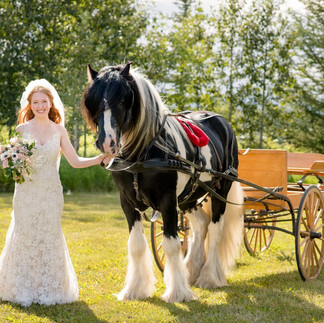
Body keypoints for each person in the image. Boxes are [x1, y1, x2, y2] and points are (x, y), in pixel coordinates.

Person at [0, 79, 111, 306]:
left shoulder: (59, 130)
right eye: (35, 102)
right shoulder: (22, 130)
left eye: (44, 101)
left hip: (51, 193)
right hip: (26, 193)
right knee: (25, 235)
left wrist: (98, 159)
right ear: (29, 105)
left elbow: (75, 161)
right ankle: (22, 286)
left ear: (51, 104)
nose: (40, 106)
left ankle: (48, 287)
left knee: (48, 236)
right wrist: (9, 161)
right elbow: (12, 160)